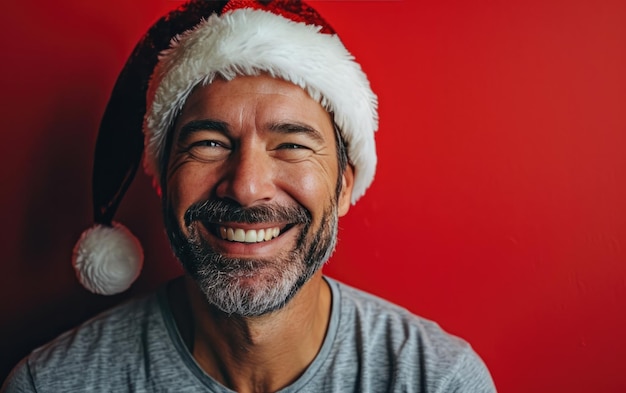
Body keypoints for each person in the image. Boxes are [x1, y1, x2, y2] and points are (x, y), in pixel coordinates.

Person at [2, 1, 496, 392]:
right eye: (209, 144)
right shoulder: (51, 383)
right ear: (163, 176)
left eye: (292, 145)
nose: (246, 185)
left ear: (344, 185)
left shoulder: (437, 380)